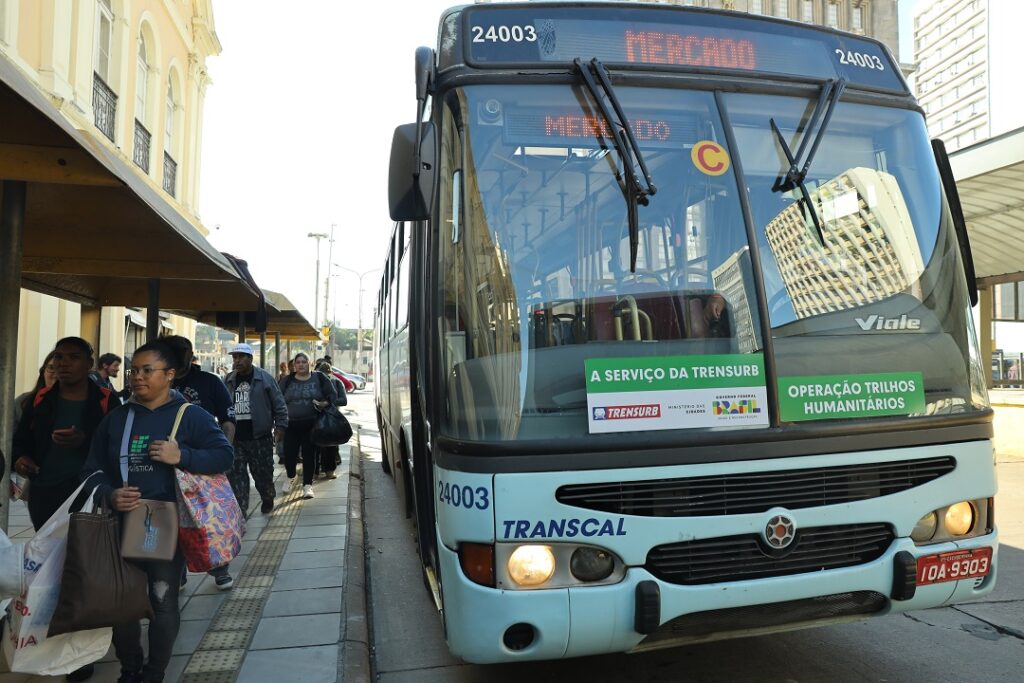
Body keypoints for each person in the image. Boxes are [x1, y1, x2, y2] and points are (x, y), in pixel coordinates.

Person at [81, 341, 233, 683]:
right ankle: (129, 668)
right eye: (134, 370)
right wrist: (109, 493)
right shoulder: (117, 418)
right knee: (121, 603)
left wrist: (183, 457)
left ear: (170, 374)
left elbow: (225, 456)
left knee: (162, 600)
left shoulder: (191, 416)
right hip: (118, 522)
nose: (137, 377)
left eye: (147, 370)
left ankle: (154, 672)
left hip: (163, 521)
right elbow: (90, 469)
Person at [11, 338, 115, 683]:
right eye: (58, 357)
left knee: (81, 568)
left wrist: (83, 442)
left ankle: (81, 650)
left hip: (87, 494)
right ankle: (54, 637)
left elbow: (115, 446)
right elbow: (21, 442)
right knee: (50, 569)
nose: (63, 363)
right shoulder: (40, 399)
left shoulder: (106, 400)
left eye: (73, 357)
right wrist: (22, 460)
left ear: (89, 363)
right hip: (45, 494)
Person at [164, 335, 237, 590]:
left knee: (207, 519)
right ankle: (178, 573)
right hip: (165, 467)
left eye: (184, 352)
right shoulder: (159, 381)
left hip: (201, 467)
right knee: (173, 523)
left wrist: (223, 453)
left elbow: (228, 419)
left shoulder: (208, 381)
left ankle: (219, 568)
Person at [224, 343, 287, 514]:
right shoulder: (228, 379)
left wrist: (281, 426)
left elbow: (279, 404)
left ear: (250, 359)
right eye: (235, 357)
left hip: (260, 438)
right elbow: (221, 404)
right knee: (236, 476)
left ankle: (267, 496)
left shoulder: (264, 378)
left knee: (263, 474)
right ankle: (241, 511)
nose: (237, 361)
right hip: (235, 439)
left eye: (241, 357)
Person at [279, 353, 337, 498]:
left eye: (304, 362)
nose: (301, 364)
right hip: (290, 424)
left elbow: (332, 395)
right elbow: (277, 400)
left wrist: (324, 403)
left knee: (309, 455)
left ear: (310, 363)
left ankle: (307, 485)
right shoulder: (287, 381)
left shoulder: (319, 378)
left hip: (312, 424)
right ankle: (291, 476)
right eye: (298, 362)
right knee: (289, 455)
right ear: (294, 365)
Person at [314, 360, 347, 479]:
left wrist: (328, 403)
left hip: (331, 418)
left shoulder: (337, 382)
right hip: (316, 417)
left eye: (327, 375)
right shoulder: (315, 383)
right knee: (315, 446)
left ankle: (329, 470)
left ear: (331, 374)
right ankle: (316, 470)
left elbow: (343, 400)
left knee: (331, 445)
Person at [13, 351, 57, 424]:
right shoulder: (22, 402)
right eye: (51, 368)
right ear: (43, 372)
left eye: (62, 369)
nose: (56, 374)